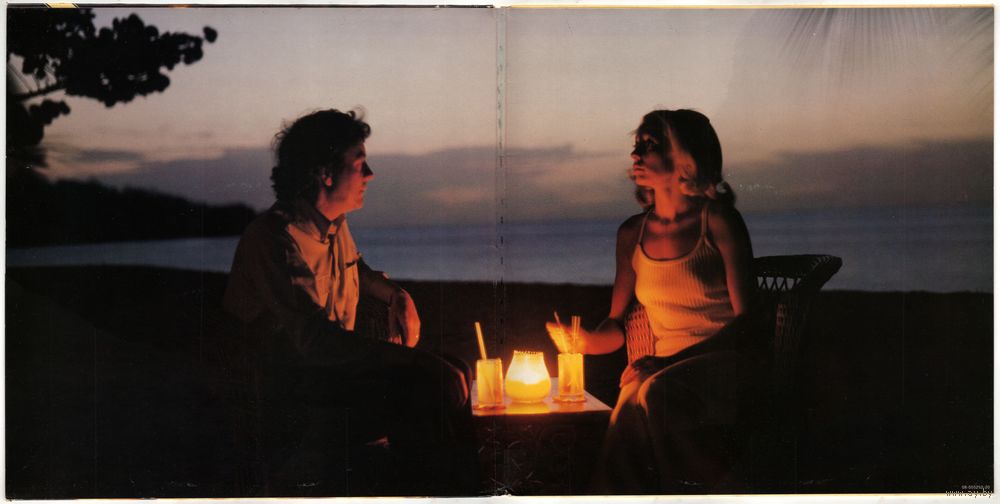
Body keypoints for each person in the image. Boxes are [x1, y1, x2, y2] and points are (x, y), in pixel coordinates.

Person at [223, 108, 476, 496]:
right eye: (359, 164)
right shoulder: (274, 240)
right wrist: (413, 360)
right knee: (427, 383)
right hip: (292, 400)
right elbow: (315, 341)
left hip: (330, 380)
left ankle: (463, 484)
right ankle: (433, 487)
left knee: (456, 368)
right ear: (325, 173)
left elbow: (356, 269)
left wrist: (396, 295)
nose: (369, 174)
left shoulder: (335, 225)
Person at [547, 109, 768, 493]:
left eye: (650, 145)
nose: (636, 154)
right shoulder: (631, 234)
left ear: (686, 156)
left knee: (650, 393)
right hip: (660, 371)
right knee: (631, 399)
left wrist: (665, 363)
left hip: (724, 363)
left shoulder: (719, 221)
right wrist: (584, 342)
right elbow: (616, 325)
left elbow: (748, 322)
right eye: (637, 144)